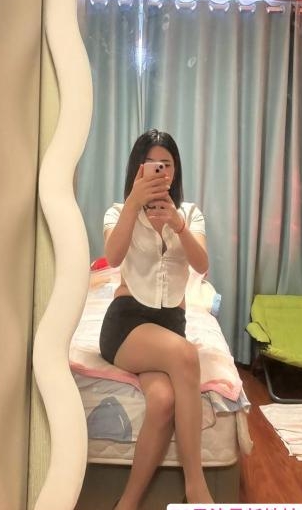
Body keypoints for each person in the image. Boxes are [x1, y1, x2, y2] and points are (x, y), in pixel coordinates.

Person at [99, 129, 214, 510]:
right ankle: (196, 489)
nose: (159, 171)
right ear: (137, 169)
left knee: (163, 401)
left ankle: (126, 503)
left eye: (166, 164)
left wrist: (178, 224)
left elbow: (202, 265)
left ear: (175, 171)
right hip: (127, 325)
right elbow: (113, 258)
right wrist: (134, 203)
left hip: (169, 328)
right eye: (151, 164)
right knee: (185, 356)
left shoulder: (190, 214)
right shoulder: (118, 212)